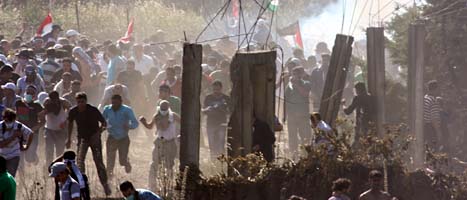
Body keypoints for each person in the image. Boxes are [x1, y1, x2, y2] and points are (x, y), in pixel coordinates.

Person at [66, 92, 111, 195]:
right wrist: (68, 139)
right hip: (82, 139)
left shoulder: (93, 110)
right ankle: (83, 186)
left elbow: (104, 124)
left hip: (94, 138)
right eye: (79, 102)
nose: (81, 104)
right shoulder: (73, 111)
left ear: (86, 101)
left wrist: (98, 133)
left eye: (82, 102)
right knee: (80, 162)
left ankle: (105, 185)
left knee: (98, 161)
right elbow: (70, 124)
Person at [140, 100, 180, 191]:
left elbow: (183, 124)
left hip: (170, 143)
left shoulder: (173, 116)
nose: (163, 110)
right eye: (162, 108)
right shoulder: (157, 116)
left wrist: (180, 134)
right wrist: (144, 122)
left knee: (169, 165)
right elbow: (150, 126)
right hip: (159, 143)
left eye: (165, 108)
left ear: (168, 107)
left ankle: (168, 186)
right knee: (154, 164)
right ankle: (152, 186)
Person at [102, 94, 138, 177]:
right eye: (113, 103)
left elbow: (135, 123)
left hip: (123, 138)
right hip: (112, 136)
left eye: (117, 103)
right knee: (110, 159)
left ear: (121, 102)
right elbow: (103, 120)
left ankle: (126, 162)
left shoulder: (127, 110)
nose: (114, 105)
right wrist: (103, 127)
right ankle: (109, 175)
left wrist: (129, 126)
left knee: (122, 161)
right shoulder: (107, 109)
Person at [284, 66, 312, 155]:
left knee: (305, 136)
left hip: (303, 115)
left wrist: (296, 85)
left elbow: (305, 94)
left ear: (301, 74)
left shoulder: (306, 84)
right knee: (292, 137)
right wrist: (284, 115)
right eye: (294, 74)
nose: (295, 76)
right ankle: (294, 154)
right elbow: (286, 100)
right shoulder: (289, 86)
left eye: (297, 74)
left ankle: (306, 154)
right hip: (292, 115)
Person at [0, 108, 33, 177]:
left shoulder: (18, 126)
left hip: (14, 155)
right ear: (4, 119)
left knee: (11, 176)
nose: (9, 123)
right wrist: (13, 136)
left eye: (11, 120)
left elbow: (30, 133)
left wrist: (27, 146)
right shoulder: (0, 126)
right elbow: (1, 145)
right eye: (7, 120)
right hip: (1, 155)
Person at [15, 85, 44, 164]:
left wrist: (35, 128)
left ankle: (34, 157)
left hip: (33, 133)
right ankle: (22, 173)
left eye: (32, 93)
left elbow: (43, 121)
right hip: (20, 132)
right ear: (25, 92)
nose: (29, 94)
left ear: (34, 95)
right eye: (28, 92)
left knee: (29, 158)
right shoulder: (18, 103)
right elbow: (15, 116)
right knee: (19, 155)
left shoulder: (37, 106)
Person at [203, 81, 230, 159]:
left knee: (221, 142)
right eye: (214, 89)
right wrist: (208, 109)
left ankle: (221, 159)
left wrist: (222, 108)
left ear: (221, 89)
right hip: (211, 123)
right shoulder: (208, 97)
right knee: (211, 143)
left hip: (222, 123)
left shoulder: (226, 98)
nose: (216, 91)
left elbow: (229, 111)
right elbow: (204, 110)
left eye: (218, 89)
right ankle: (213, 159)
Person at [44, 91, 71, 166]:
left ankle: (59, 167)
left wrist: (66, 118)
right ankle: (48, 167)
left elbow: (69, 107)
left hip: (60, 130)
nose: (54, 101)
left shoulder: (63, 102)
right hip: (49, 129)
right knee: (49, 150)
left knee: (60, 151)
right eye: (52, 99)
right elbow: (44, 109)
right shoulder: (47, 102)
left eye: (55, 99)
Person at [343, 82, 375, 147]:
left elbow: (348, 111)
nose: (355, 92)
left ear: (358, 90)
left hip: (361, 124)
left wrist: (343, 105)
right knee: (368, 142)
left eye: (356, 90)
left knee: (358, 143)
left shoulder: (358, 98)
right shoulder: (371, 97)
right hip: (371, 123)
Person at [423, 80, 442, 150]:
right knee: (434, 149)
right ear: (436, 89)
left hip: (424, 127)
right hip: (431, 129)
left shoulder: (425, 98)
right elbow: (434, 118)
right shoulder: (433, 100)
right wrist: (438, 132)